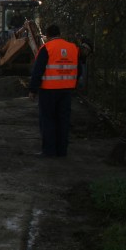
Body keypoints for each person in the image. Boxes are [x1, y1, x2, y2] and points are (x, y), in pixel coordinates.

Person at [29, 24, 80, 157]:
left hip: (49, 91)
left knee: (48, 120)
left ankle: (49, 151)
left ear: (47, 35)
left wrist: (33, 90)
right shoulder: (73, 48)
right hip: (66, 91)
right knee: (63, 120)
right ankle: (62, 151)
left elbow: (38, 70)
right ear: (59, 33)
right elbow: (78, 69)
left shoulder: (46, 48)